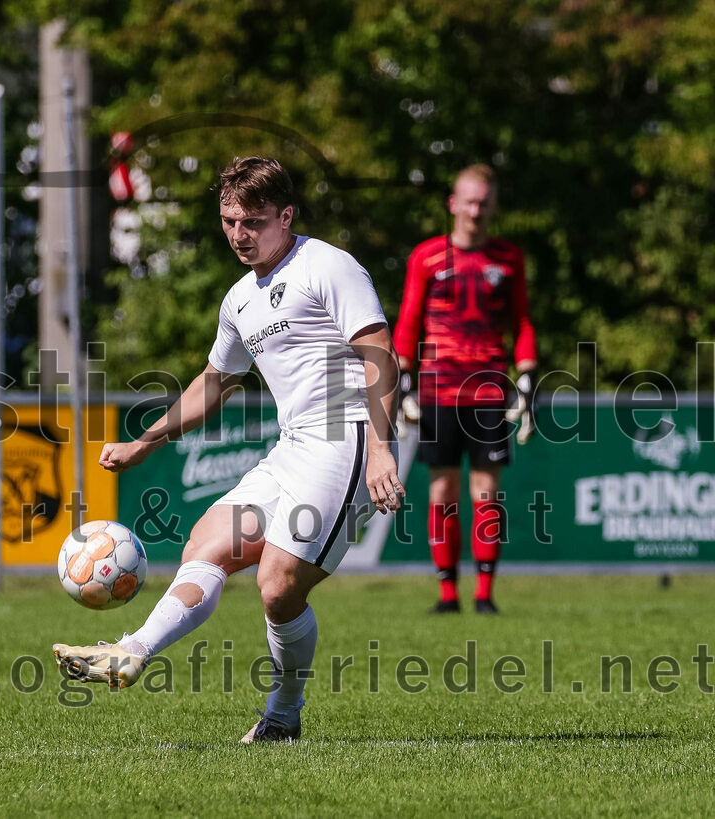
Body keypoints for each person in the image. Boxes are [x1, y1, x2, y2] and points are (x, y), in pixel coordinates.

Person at [54, 156, 402, 743]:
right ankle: (131, 651)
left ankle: (283, 716)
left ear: (286, 215)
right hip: (292, 449)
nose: (239, 234)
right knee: (206, 543)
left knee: (276, 585)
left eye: (253, 221)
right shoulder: (240, 299)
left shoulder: (329, 267)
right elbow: (214, 383)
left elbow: (379, 354)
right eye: (228, 221)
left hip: (346, 444)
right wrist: (145, 442)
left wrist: (383, 450)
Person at [394, 164, 537, 615]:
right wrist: (402, 382)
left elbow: (522, 321)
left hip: (490, 391)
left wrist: (528, 378)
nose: (476, 209)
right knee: (442, 492)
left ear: (493, 205)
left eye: (484, 201)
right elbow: (409, 321)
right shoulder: (426, 257)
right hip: (437, 389)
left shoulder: (508, 258)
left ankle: (484, 593)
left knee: (486, 492)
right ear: (453, 203)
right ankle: (448, 593)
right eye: (469, 200)